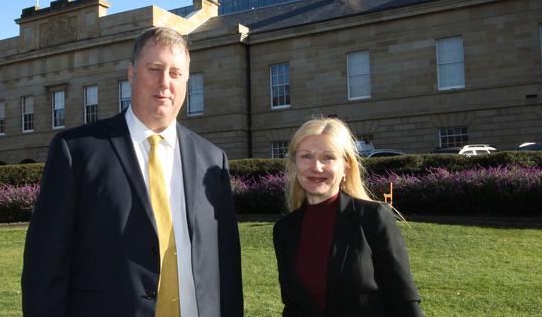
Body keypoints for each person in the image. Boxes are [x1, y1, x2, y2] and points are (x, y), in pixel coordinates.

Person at [22, 26, 243, 317]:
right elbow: (45, 266)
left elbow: (227, 265)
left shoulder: (213, 160)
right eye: (154, 69)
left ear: (187, 81)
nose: (165, 83)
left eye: (176, 73)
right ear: (131, 74)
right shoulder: (76, 151)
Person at [273, 117, 423, 317]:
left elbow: (405, 302)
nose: (316, 167)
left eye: (328, 157)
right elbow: (293, 307)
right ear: (295, 164)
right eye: (306, 156)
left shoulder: (373, 218)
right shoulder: (285, 230)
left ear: (346, 166)